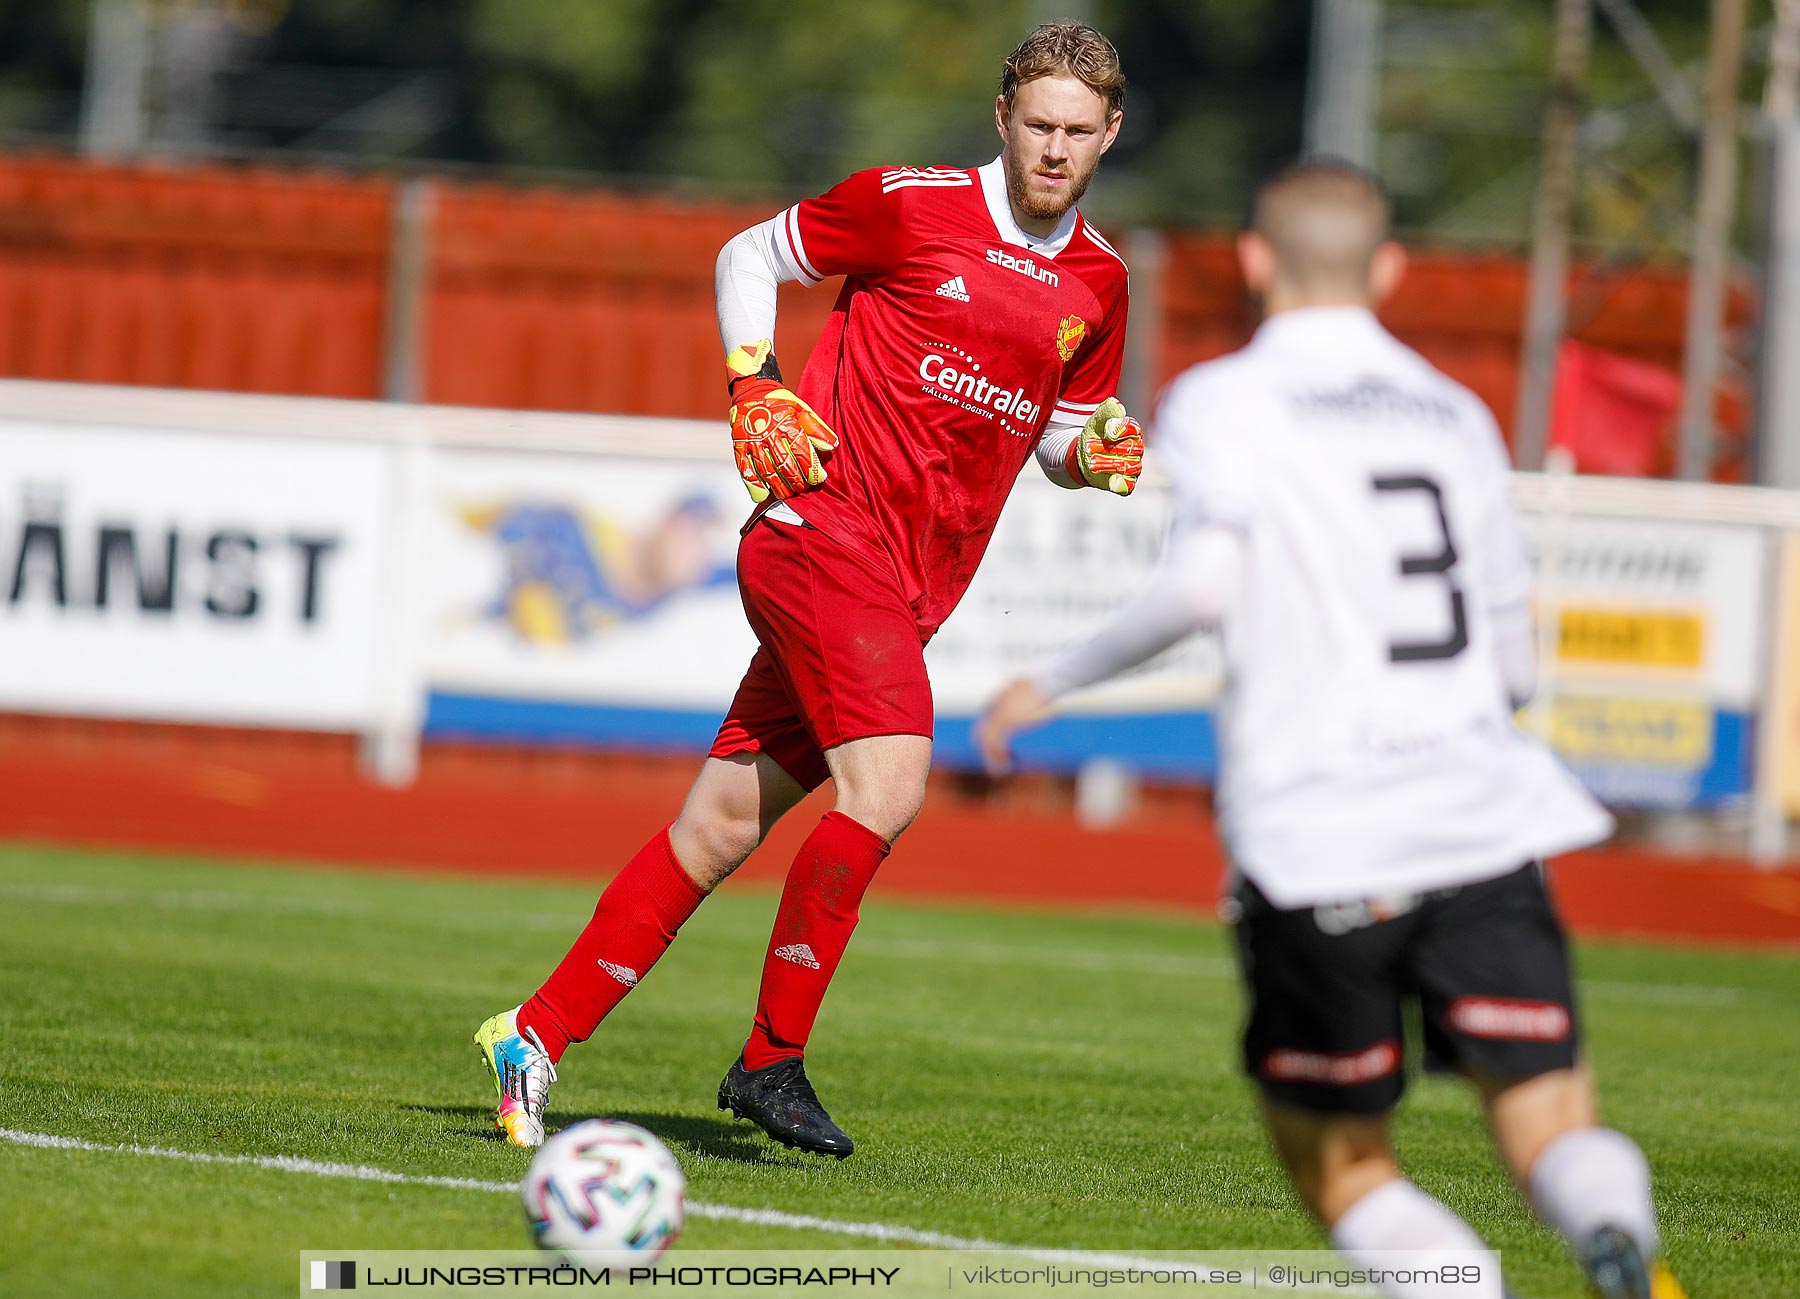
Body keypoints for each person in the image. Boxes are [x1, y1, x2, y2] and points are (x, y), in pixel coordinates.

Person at [976, 160, 1686, 1299]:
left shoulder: (1226, 399)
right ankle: (1614, 1232)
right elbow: (1510, 647)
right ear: (1389, 268)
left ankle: (1467, 1287)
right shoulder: (1455, 411)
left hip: (1321, 839)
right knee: (1552, 1118)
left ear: (1256, 263)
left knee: (1342, 1163)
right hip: (1480, 817)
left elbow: (1204, 587)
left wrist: (1047, 681)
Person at [474, 21, 1145, 1158]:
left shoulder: (1102, 282)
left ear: (1110, 136)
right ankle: (770, 1062)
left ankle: (530, 1036)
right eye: (1038, 124)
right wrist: (755, 383)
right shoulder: (909, 202)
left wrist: (1098, 457)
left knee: (720, 826)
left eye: (1078, 133)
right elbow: (749, 254)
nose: (1054, 149)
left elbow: (1061, 442)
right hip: (816, 532)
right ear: (1002, 117)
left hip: (906, 587)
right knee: (887, 785)